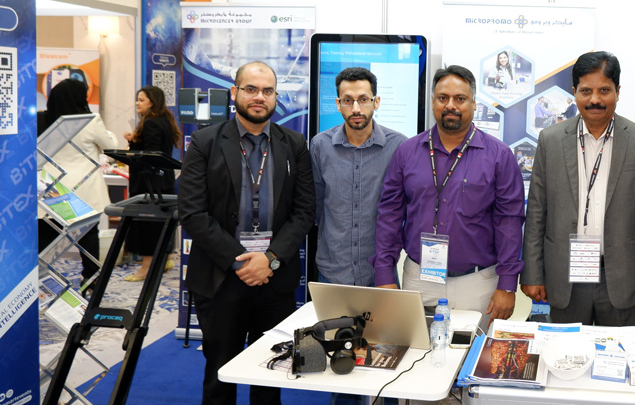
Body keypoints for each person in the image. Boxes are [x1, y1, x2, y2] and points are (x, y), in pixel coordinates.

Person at [178, 61, 315, 405]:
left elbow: (304, 212)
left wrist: (269, 259)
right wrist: (241, 262)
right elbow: (192, 212)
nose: (259, 97)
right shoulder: (205, 142)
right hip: (221, 278)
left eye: (267, 91)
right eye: (251, 89)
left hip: (274, 280)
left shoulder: (294, 143)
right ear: (234, 92)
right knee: (220, 376)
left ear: (276, 97)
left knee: (269, 375)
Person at [521, 51, 635, 326]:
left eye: (604, 90)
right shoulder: (550, 140)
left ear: (618, 92)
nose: (595, 100)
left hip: (623, 278)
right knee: (566, 350)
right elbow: (537, 213)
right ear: (574, 92)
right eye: (586, 91)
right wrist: (532, 273)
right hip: (566, 276)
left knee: (618, 351)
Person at [373, 65, 524, 325]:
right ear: (433, 102)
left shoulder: (499, 156)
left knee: (473, 350)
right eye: (443, 98)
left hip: (477, 283)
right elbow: (389, 216)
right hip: (419, 279)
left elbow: (509, 222)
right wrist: (385, 275)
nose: (450, 105)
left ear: (474, 104)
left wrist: (507, 285)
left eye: (460, 98)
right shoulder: (407, 152)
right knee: (416, 347)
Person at [312, 67, 407, 287]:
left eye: (363, 100)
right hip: (333, 271)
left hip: (380, 274)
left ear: (376, 102)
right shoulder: (320, 145)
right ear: (338, 104)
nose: (356, 108)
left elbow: (404, 208)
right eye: (348, 101)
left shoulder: (399, 146)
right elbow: (317, 206)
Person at [38, 79, 118, 294]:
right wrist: (110, 135)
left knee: (45, 236)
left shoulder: (41, 119)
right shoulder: (90, 120)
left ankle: (36, 280)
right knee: (88, 236)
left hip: (51, 188)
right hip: (84, 189)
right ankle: (91, 281)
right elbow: (111, 148)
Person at [123, 85, 181, 282]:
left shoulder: (151, 123)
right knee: (160, 224)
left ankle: (146, 267)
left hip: (148, 183)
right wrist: (134, 139)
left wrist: (132, 147)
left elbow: (150, 154)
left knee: (146, 226)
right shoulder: (165, 119)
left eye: (141, 100)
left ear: (152, 102)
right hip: (162, 181)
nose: (137, 103)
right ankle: (165, 260)